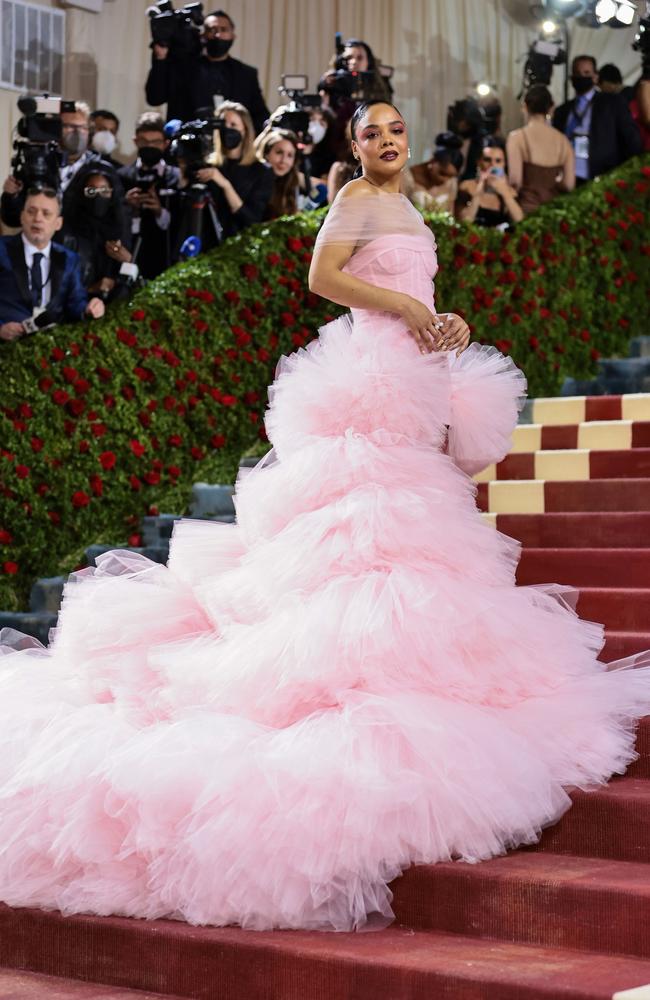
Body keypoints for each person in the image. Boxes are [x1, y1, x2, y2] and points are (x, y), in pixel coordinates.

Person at [1, 98, 649, 935]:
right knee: (356, 526)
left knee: (414, 533)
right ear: (353, 145)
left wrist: (438, 319)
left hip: (414, 374)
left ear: (407, 139)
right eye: (370, 132)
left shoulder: (414, 204)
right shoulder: (351, 201)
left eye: (394, 129)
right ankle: (337, 678)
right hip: (365, 376)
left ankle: (405, 671)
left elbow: (415, 284)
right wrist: (410, 312)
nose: (386, 140)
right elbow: (322, 279)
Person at [0, 187, 104, 342]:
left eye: (46, 213)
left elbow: (76, 303)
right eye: (31, 211)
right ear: (22, 216)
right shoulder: (2, 249)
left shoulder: (70, 259)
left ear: (58, 223)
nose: (37, 218)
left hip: (50, 347)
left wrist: (90, 308)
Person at [145, 9, 270, 135]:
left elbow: (259, 115)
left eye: (223, 30)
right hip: (188, 146)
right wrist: (161, 58)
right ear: (203, 35)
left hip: (233, 147)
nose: (218, 35)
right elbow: (155, 98)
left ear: (233, 36)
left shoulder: (246, 74)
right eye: (212, 30)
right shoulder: (182, 67)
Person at [172, 100, 272, 254]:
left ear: (245, 130)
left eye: (233, 125)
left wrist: (224, 184)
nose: (227, 129)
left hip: (239, 249)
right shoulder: (208, 164)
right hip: (205, 246)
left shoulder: (261, 171)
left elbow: (251, 219)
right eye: (223, 124)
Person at [1, 101, 120, 229]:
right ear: (55, 129)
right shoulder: (36, 165)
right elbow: (12, 219)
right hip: (42, 245)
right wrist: (10, 196)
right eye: (69, 126)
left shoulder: (103, 170)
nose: (77, 132)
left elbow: (117, 219)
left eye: (82, 127)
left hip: (82, 247)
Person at [552, 55, 642, 184]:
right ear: (572, 78)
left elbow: (631, 139)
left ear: (595, 76)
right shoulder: (562, 111)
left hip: (603, 176)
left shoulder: (612, 103)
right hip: (568, 176)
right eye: (578, 73)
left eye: (587, 73)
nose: (582, 77)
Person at [118, 112, 181, 280]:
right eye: (144, 142)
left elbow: (181, 224)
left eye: (155, 142)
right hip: (128, 256)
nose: (150, 147)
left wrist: (159, 211)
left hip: (164, 259)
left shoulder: (176, 177)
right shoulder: (121, 176)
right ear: (135, 142)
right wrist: (127, 207)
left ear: (166, 144)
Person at [59, 167, 132, 303]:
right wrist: (91, 289)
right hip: (75, 310)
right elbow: (58, 285)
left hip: (113, 308)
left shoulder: (121, 229)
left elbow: (134, 283)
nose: (98, 197)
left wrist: (128, 260)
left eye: (104, 191)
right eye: (91, 191)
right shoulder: (67, 232)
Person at [506, 85, 575, 216]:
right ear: (551, 108)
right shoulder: (563, 141)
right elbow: (569, 185)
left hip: (526, 211)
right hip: (554, 213)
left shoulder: (517, 138)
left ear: (525, 107)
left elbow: (516, 182)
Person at [455, 138, 524, 227]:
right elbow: (464, 223)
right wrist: (479, 190)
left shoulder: (510, 192)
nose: (493, 165)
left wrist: (505, 193)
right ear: (479, 162)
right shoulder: (467, 186)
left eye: (498, 161)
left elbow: (520, 222)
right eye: (487, 160)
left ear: (504, 164)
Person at [403, 131, 463, 213]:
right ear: (433, 161)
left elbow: (450, 214)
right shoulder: (408, 177)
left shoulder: (452, 183)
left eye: (451, 176)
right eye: (442, 173)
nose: (445, 180)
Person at [255, 128, 302, 219]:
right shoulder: (253, 181)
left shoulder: (292, 183)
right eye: (279, 152)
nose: (283, 161)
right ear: (266, 154)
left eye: (290, 155)